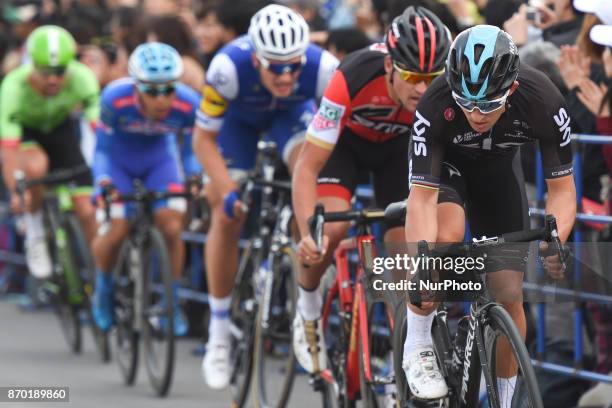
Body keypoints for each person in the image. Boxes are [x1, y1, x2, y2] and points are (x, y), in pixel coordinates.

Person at [403, 25, 576, 403]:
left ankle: (503, 395)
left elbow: (562, 191)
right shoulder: (434, 104)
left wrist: (555, 237)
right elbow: (420, 200)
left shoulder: (543, 99)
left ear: (511, 90)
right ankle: (416, 342)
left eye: (488, 105)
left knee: (509, 292)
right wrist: (422, 259)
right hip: (445, 172)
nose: (476, 114)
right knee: (444, 238)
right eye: (466, 103)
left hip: (498, 175)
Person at [291, 6, 452, 375]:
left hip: (397, 154)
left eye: (433, 77)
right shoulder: (351, 76)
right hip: (344, 150)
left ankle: (411, 349)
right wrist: (306, 232)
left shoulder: (441, 92)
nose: (423, 88)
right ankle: (309, 309)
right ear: (389, 67)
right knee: (331, 230)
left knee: (409, 258)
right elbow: (307, 166)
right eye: (411, 76)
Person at [192, 3, 338, 389]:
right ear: (256, 58)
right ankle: (219, 332)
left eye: (294, 64)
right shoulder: (226, 69)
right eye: (276, 66)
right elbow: (203, 139)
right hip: (238, 127)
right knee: (226, 214)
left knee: (304, 171)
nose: (287, 74)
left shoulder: (322, 68)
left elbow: (330, 145)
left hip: (291, 120)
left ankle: (300, 267)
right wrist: (224, 189)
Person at [90, 42, 201, 336]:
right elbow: (101, 149)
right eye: (152, 90)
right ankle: (103, 287)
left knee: (171, 226)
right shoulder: (114, 98)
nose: (162, 99)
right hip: (118, 163)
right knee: (116, 230)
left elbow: (191, 152)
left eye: (168, 89)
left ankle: (171, 302)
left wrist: (193, 177)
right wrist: (102, 182)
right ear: (136, 87)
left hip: (159, 162)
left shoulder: (189, 103)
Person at [0, 25, 99, 279]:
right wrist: (16, 191)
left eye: (60, 72)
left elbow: (99, 132)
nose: (53, 79)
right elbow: (8, 151)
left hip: (61, 132)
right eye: (45, 72)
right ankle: (35, 234)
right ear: (31, 65)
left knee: (87, 210)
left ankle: (102, 278)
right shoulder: (13, 87)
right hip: (27, 134)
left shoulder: (83, 78)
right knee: (36, 166)